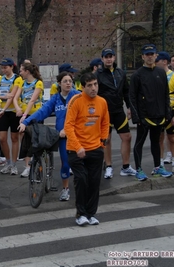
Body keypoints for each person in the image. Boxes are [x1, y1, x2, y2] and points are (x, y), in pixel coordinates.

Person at [19, 72, 80, 201]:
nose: (68, 83)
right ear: (59, 83)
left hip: (77, 135)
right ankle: (65, 189)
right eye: (65, 81)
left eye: (70, 81)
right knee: (65, 163)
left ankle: (84, 188)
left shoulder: (77, 96)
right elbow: (42, 111)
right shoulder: (56, 99)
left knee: (81, 163)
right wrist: (25, 122)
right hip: (62, 136)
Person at [64, 72, 109, 226]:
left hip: (95, 148)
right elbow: (68, 126)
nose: (93, 88)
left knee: (94, 182)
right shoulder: (75, 101)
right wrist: (78, 147)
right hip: (76, 149)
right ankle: (81, 214)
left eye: (95, 84)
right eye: (89, 85)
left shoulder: (102, 102)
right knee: (82, 179)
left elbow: (105, 123)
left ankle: (91, 213)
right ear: (82, 87)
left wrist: (102, 142)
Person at [129, 44, 173, 180]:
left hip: (159, 115)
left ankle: (158, 167)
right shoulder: (137, 75)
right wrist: (137, 117)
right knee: (139, 143)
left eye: (152, 54)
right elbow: (132, 97)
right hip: (144, 117)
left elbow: (166, 94)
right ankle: (139, 170)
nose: (149, 57)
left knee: (156, 142)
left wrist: (167, 113)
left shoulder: (161, 73)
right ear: (142, 56)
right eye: (147, 54)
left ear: (156, 56)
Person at [95, 48, 136, 179]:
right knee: (106, 139)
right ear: (102, 59)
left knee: (127, 137)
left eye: (111, 56)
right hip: (104, 112)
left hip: (118, 110)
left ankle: (126, 166)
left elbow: (126, 91)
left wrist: (129, 107)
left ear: (114, 58)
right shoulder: (98, 74)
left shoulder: (120, 73)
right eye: (106, 57)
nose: (108, 59)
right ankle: (108, 166)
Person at [155, 51, 174, 175]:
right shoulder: (155, 75)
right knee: (160, 138)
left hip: (171, 112)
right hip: (158, 112)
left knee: (172, 138)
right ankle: (160, 164)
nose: (155, 63)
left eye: (157, 61)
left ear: (164, 62)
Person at [13, 62, 44, 177]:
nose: (20, 73)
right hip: (24, 115)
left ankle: (39, 163)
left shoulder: (38, 83)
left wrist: (25, 116)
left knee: (37, 140)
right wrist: (18, 109)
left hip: (36, 115)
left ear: (27, 71)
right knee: (26, 141)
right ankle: (27, 166)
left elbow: (32, 100)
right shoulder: (23, 84)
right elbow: (15, 98)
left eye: (21, 70)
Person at [0, 58, 23, 175]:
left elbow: (12, 96)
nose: (4, 70)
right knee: (2, 138)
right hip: (2, 111)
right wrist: (3, 97)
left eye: (6, 67)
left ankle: (14, 164)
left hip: (13, 111)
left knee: (14, 138)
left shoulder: (17, 78)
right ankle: (7, 162)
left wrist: (7, 99)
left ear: (12, 67)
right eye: (2, 67)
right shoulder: (0, 79)